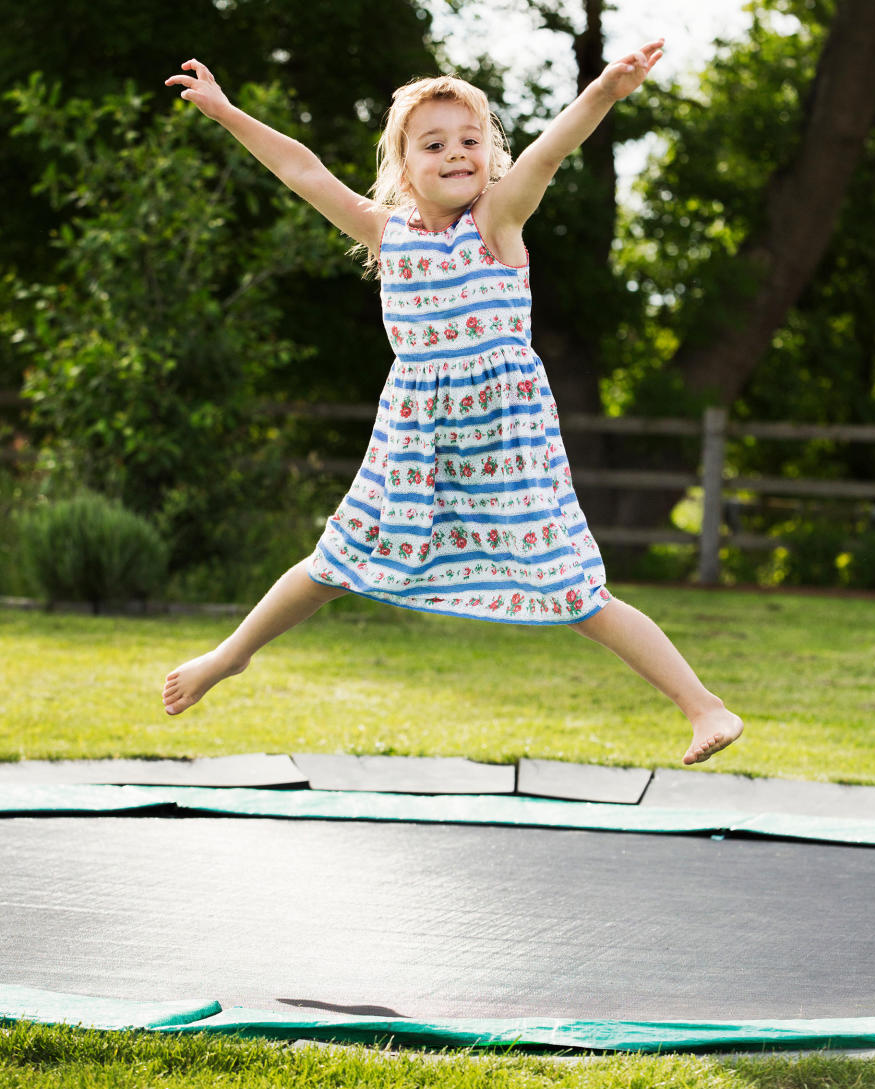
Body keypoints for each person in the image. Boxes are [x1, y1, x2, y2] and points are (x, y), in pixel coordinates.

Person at [161, 48, 743, 766]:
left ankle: (702, 705)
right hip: (414, 449)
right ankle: (231, 655)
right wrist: (223, 112)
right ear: (405, 168)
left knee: (577, 593)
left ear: (489, 156)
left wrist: (601, 94)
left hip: (505, 447)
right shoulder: (388, 233)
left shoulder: (496, 222)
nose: (456, 154)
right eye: (434, 144)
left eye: (470, 141)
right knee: (332, 561)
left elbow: (549, 153)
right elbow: (301, 170)